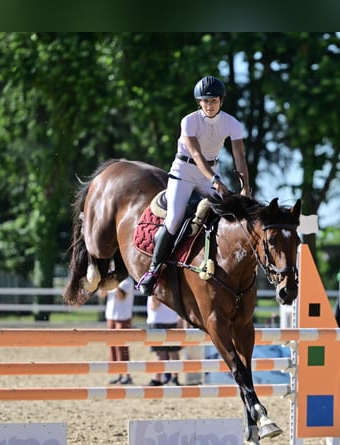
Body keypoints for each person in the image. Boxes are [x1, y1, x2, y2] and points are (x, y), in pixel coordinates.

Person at [137, 75, 251, 296]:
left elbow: (239, 156)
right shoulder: (189, 121)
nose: (210, 105)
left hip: (209, 172)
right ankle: (153, 271)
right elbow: (197, 155)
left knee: (225, 212)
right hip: (184, 172)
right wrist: (215, 180)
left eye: (214, 101)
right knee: (175, 218)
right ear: (199, 102)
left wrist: (245, 185)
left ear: (222, 101)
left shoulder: (232, 124)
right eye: (205, 101)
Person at [100, 277, 135, 385]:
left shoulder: (127, 281)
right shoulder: (113, 282)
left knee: (121, 347)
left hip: (123, 317)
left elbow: (121, 296)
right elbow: (102, 294)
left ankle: (127, 375)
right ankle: (118, 374)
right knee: (112, 346)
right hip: (111, 316)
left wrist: (114, 285)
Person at [146, 296, 181, 386]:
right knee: (174, 351)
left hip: (158, 320)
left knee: (160, 353)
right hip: (171, 319)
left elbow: (154, 305)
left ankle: (157, 378)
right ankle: (174, 378)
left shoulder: (153, 282)